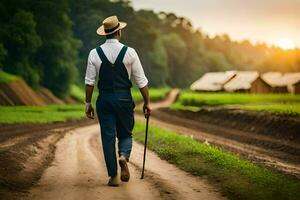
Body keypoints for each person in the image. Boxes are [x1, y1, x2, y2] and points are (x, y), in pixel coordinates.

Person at [84, 15, 151, 187]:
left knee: (108, 137)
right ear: (119, 31)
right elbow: (141, 81)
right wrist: (147, 103)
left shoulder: (94, 53)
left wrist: (87, 103)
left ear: (105, 33)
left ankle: (113, 176)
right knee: (126, 133)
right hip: (123, 99)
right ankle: (123, 155)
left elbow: (89, 82)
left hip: (104, 99)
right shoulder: (130, 52)